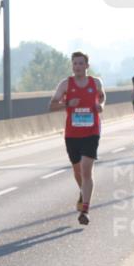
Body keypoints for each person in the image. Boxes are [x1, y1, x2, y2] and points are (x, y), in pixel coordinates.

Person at [49, 51, 106, 226]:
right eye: (75, 63)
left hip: (91, 132)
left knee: (86, 169)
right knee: (77, 171)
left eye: (81, 63)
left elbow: (103, 97)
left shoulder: (95, 82)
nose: (78, 67)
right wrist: (66, 104)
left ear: (87, 66)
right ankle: (83, 193)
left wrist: (100, 106)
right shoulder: (66, 84)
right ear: (72, 66)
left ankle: (85, 210)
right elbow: (51, 105)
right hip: (72, 134)